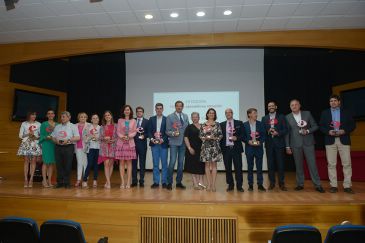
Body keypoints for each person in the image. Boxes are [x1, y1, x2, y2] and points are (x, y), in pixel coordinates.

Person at [285, 99, 325, 193]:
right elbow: (287, 133)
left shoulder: (307, 114)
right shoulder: (287, 117)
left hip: (308, 142)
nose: (294, 106)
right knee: (298, 165)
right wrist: (287, 146)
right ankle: (300, 184)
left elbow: (315, 126)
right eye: (292, 105)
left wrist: (307, 131)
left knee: (312, 164)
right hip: (295, 144)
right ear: (290, 107)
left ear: (300, 105)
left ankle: (318, 185)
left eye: (296, 104)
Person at [319, 94, 356, 194]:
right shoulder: (325, 113)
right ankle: (334, 186)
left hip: (343, 139)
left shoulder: (346, 112)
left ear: (339, 102)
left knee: (347, 164)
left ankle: (347, 186)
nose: (333, 103)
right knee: (331, 164)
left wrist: (344, 131)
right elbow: (321, 126)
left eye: (335, 101)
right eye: (331, 101)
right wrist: (328, 132)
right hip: (330, 140)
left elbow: (352, 125)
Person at [261, 101, 288, 191]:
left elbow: (285, 129)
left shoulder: (282, 117)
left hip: (279, 144)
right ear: (267, 108)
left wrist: (278, 133)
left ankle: (281, 183)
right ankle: (272, 183)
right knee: (270, 164)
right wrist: (268, 131)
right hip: (269, 145)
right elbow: (262, 131)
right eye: (269, 106)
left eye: (272, 106)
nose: (271, 107)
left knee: (280, 164)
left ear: (276, 107)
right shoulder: (264, 118)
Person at [51, 111, 80, 189]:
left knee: (67, 165)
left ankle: (67, 182)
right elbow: (52, 137)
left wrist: (68, 140)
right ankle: (60, 182)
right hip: (58, 147)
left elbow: (77, 137)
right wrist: (55, 140)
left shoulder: (73, 126)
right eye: (61, 117)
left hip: (68, 147)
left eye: (64, 117)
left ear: (69, 117)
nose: (62, 118)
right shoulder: (57, 126)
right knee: (59, 165)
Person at [166, 101, 189, 190]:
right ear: (175, 107)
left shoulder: (186, 116)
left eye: (180, 106)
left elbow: (187, 130)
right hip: (174, 143)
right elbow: (167, 131)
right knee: (172, 163)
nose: (179, 107)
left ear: (183, 107)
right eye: (177, 106)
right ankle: (169, 182)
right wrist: (173, 133)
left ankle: (179, 182)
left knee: (180, 164)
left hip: (183, 143)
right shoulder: (170, 117)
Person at [220, 108, 244, 192]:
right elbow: (220, 138)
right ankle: (230, 185)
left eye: (229, 112)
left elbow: (243, 135)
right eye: (226, 113)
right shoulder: (221, 124)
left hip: (236, 149)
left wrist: (236, 137)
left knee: (238, 167)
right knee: (228, 168)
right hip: (226, 149)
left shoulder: (239, 123)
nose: (228, 114)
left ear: (232, 113)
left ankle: (239, 186)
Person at [242, 108, 266, 192]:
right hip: (249, 148)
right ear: (249, 115)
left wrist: (260, 142)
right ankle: (250, 185)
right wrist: (247, 141)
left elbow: (264, 135)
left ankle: (260, 184)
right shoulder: (244, 125)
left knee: (259, 167)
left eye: (256, 113)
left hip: (259, 148)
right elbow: (243, 136)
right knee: (250, 167)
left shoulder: (260, 124)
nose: (256, 114)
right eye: (254, 113)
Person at [200, 108, 223, 192]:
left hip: (215, 147)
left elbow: (220, 135)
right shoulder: (203, 125)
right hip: (205, 147)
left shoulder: (217, 124)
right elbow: (200, 135)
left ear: (215, 115)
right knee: (206, 166)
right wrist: (204, 137)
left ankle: (213, 185)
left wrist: (215, 138)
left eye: (213, 113)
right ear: (207, 114)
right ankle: (209, 184)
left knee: (214, 166)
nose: (211, 114)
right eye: (210, 113)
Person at [17, 111, 42, 188]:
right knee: (26, 161)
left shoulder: (38, 124)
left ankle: (31, 179)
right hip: (26, 143)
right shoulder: (24, 124)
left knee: (33, 161)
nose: (34, 116)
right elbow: (20, 135)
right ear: (29, 115)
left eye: (35, 115)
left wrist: (35, 136)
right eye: (32, 114)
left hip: (34, 143)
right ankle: (26, 179)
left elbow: (40, 136)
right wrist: (28, 134)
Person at [116, 105, 137, 189]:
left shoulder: (133, 121)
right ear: (123, 111)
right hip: (121, 143)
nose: (127, 111)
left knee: (129, 163)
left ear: (130, 111)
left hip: (130, 143)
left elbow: (135, 131)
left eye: (128, 110)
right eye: (125, 110)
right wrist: (122, 136)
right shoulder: (120, 120)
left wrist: (129, 136)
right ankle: (122, 182)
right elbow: (118, 131)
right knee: (121, 163)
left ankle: (128, 182)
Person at [148, 103, 169, 189]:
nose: (159, 110)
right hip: (154, 144)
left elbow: (168, 131)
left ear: (163, 109)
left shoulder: (166, 119)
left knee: (164, 164)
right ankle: (156, 182)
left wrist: (162, 139)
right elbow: (149, 131)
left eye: (160, 108)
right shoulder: (151, 119)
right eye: (157, 108)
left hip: (163, 144)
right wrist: (152, 139)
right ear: (155, 109)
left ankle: (164, 182)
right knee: (155, 164)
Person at [184, 112, 205, 190]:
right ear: (191, 118)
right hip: (192, 149)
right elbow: (185, 138)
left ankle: (201, 182)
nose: (195, 118)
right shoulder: (189, 127)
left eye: (196, 117)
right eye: (193, 117)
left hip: (202, 149)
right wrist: (189, 148)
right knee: (193, 166)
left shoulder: (203, 126)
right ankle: (195, 183)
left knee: (201, 166)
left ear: (199, 118)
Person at [98, 110, 117, 189]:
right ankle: (109, 183)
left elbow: (118, 136)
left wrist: (114, 140)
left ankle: (107, 181)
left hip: (113, 147)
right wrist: (104, 138)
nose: (107, 117)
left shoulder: (116, 126)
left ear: (111, 116)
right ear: (104, 118)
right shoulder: (102, 127)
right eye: (106, 116)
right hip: (104, 147)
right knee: (106, 164)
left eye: (108, 115)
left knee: (111, 164)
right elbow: (100, 137)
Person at [39, 109, 57, 188]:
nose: (50, 115)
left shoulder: (57, 124)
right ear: (47, 115)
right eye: (48, 113)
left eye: (52, 113)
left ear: (54, 115)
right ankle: (44, 180)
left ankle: (49, 181)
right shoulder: (43, 124)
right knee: (46, 162)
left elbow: (58, 135)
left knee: (51, 163)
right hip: (46, 144)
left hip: (53, 144)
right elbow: (41, 135)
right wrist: (46, 137)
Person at [131, 106, 149, 188]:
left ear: (143, 112)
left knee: (142, 163)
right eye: (137, 111)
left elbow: (149, 132)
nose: (139, 112)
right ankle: (134, 181)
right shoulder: (132, 121)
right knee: (133, 164)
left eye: (141, 111)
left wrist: (144, 136)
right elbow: (130, 131)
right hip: (133, 145)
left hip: (142, 145)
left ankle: (141, 181)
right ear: (136, 112)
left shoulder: (147, 121)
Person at [82, 114, 101, 188]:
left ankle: (95, 180)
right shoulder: (87, 128)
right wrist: (90, 137)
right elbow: (84, 138)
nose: (95, 119)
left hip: (98, 148)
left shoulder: (101, 128)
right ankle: (84, 180)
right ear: (91, 120)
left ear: (98, 119)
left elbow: (102, 139)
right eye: (93, 118)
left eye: (96, 118)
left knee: (96, 165)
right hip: (90, 148)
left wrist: (98, 138)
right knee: (89, 164)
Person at [74, 112, 90, 187]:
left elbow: (90, 135)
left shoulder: (89, 125)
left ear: (86, 118)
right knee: (79, 163)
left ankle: (85, 179)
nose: (83, 118)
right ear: (78, 118)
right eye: (81, 117)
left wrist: (87, 139)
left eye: (84, 117)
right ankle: (78, 179)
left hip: (86, 147)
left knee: (85, 163)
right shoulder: (75, 125)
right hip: (77, 146)